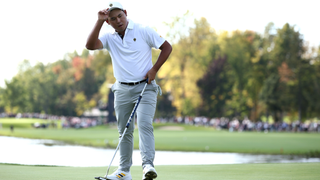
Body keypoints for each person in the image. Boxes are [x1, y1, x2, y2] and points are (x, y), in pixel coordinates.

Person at [86, 1, 172, 180]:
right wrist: (99, 21)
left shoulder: (143, 30)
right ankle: (124, 171)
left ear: (126, 13)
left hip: (145, 88)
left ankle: (148, 165)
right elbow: (90, 45)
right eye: (113, 19)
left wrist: (154, 69)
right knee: (124, 130)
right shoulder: (109, 38)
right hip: (122, 90)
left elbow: (167, 47)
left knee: (144, 124)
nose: (118, 20)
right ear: (108, 22)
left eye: (120, 16)